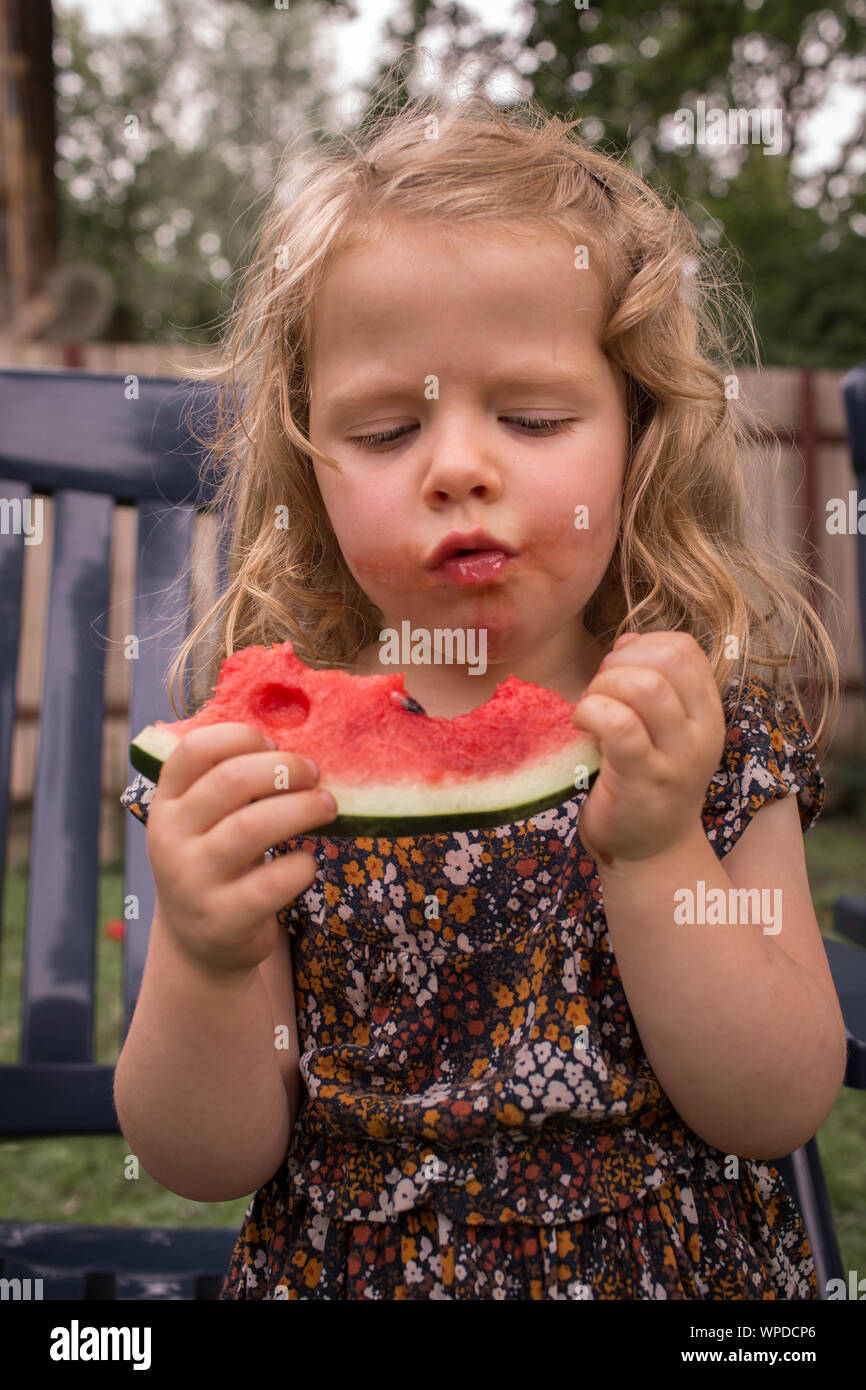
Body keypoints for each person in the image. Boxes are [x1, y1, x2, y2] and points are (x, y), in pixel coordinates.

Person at [115, 85, 848, 1300]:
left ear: (637, 434)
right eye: (387, 430)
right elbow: (200, 1157)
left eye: (533, 413)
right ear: (311, 464)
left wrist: (658, 850)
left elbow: (771, 1104)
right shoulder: (268, 778)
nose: (458, 465)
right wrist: (202, 950)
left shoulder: (708, 749)